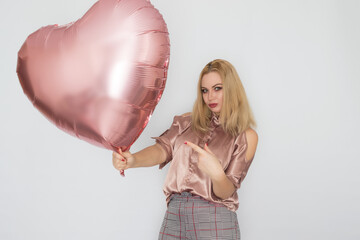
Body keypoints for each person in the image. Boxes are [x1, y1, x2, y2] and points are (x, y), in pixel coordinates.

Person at [112, 59, 258, 240]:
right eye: (204, 90)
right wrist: (132, 160)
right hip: (175, 214)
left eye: (217, 88)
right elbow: (162, 149)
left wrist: (217, 174)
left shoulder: (245, 136)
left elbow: (226, 192)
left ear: (232, 88)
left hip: (214, 218)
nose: (210, 97)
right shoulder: (187, 122)